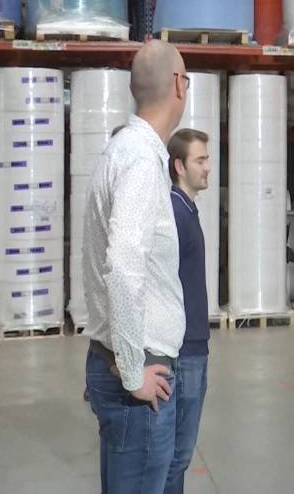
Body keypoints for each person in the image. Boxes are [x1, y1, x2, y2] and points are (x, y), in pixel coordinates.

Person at [82, 40, 189, 494]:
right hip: (138, 376)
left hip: (117, 359)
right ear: (179, 85)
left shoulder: (121, 151)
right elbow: (124, 266)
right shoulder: (142, 161)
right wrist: (131, 372)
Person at [164, 129, 212, 494]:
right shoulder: (176, 215)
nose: (208, 167)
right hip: (183, 351)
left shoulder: (187, 209)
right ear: (179, 166)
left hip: (194, 345)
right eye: (200, 160)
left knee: (178, 455)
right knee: (176, 455)